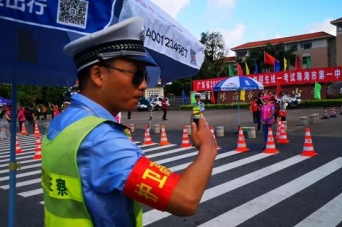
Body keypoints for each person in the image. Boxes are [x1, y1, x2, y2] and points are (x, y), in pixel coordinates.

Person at [41, 17, 217, 227]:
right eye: (136, 74)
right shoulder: (101, 140)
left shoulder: (63, 121)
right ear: (98, 74)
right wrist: (208, 147)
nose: (143, 85)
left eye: (145, 75)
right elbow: (185, 199)